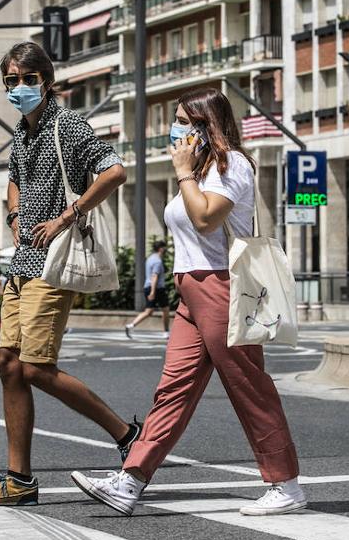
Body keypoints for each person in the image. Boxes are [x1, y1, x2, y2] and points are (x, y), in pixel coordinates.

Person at [70, 87, 305, 517]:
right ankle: (131, 480)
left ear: (205, 125)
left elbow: (206, 218)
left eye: (183, 120)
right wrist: (187, 171)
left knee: (248, 386)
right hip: (190, 291)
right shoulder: (200, 170)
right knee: (172, 389)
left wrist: (182, 172)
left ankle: (284, 483)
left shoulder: (230, 164)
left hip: (221, 287)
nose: (175, 129)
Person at [0, 42, 136, 508]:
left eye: (26, 79)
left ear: (46, 80)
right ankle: (18, 481)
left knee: (36, 366)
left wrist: (66, 215)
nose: (18, 88)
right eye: (11, 81)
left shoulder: (69, 125)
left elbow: (114, 171)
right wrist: (16, 213)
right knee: (8, 364)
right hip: (22, 262)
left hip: (55, 261)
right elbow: (16, 176)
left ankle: (127, 434)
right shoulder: (22, 130)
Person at [124, 240, 170, 338]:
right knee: (165, 309)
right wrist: (153, 291)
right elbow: (154, 276)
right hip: (157, 288)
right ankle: (166, 332)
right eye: (164, 247)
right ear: (161, 249)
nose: (166, 249)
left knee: (149, 311)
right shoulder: (157, 261)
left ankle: (131, 325)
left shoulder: (150, 259)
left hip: (147, 286)